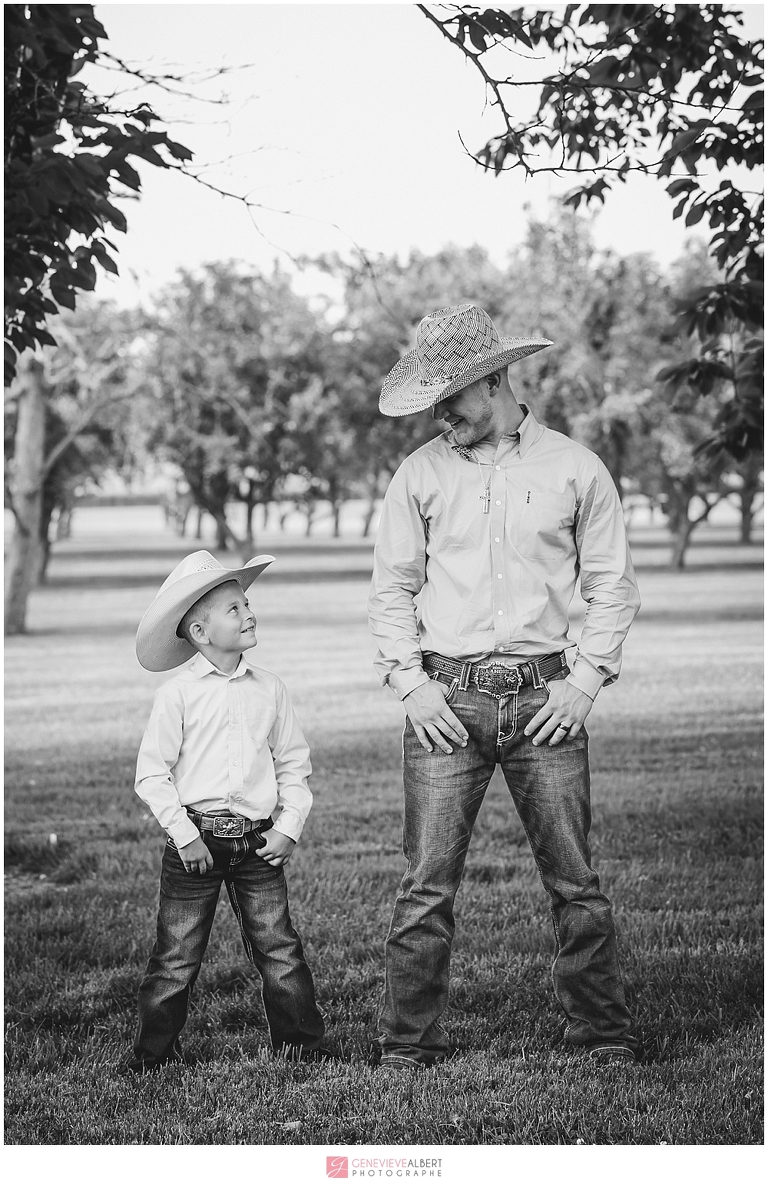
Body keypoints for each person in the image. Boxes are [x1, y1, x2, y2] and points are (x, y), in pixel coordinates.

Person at [368, 303, 641, 1071]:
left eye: (449, 398)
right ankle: (408, 1042)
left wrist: (585, 683)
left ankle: (602, 1032)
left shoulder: (575, 467)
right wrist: (411, 686)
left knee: (575, 880)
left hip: (546, 698)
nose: (439, 415)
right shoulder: (418, 474)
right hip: (443, 701)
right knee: (426, 884)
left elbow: (613, 585)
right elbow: (391, 589)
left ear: (493, 380)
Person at [126, 549, 326, 1073]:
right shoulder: (178, 696)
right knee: (176, 956)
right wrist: (185, 835)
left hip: (259, 843)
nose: (249, 613)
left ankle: (301, 1045)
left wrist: (287, 827)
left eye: (247, 604)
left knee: (279, 947)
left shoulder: (270, 690)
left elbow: (294, 766)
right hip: (196, 843)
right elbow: (152, 773)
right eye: (234, 609)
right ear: (199, 631)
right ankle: (153, 1056)